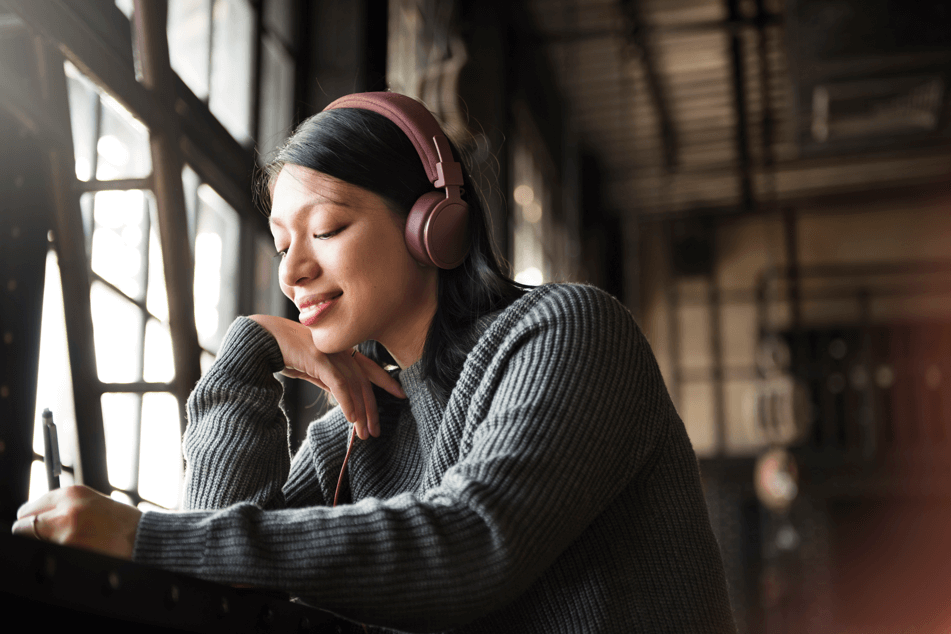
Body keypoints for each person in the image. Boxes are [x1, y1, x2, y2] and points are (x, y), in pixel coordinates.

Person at [13, 92, 736, 633]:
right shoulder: (351, 435)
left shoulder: (568, 334)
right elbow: (218, 585)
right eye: (280, 241)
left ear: (432, 225)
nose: (292, 270)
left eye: (325, 228)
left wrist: (142, 537)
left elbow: (471, 544)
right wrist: (247, 355)